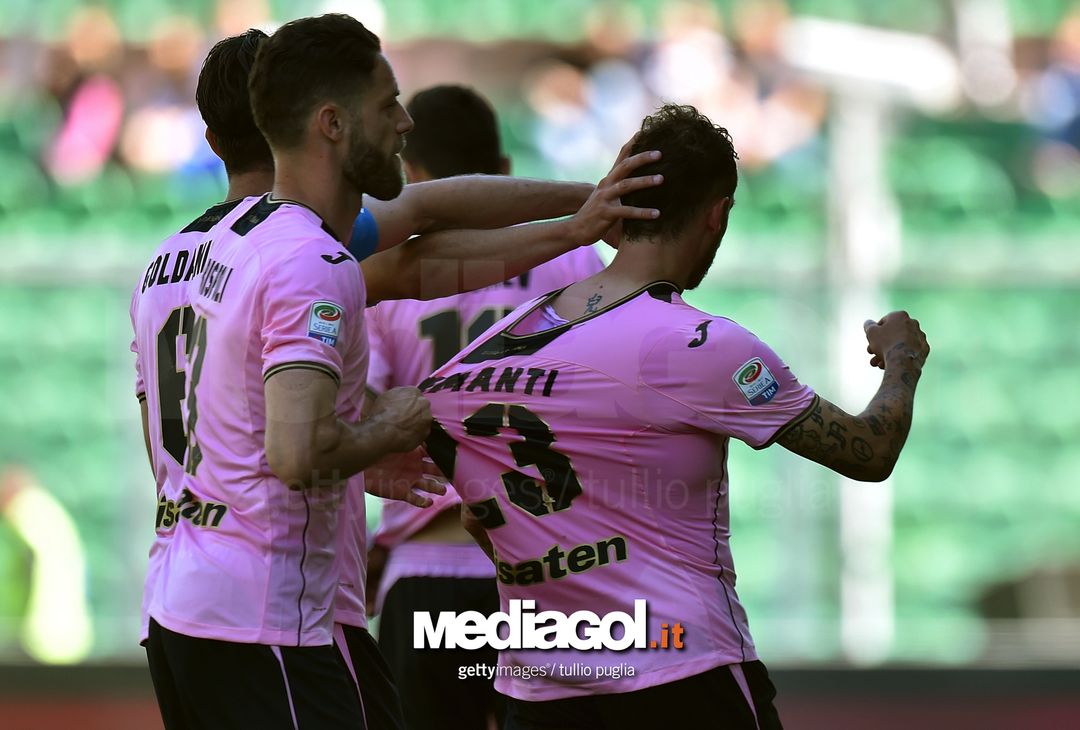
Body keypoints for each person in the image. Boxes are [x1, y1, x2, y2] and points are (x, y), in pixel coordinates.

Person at [134, 16, 662, 730]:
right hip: (274, 609)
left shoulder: (170, 262)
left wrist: (579, 219)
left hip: (180, 601)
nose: (404, 121)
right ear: (317, 118)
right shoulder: (305, 257)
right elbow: (297, 451)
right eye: (386, 105)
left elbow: (421, 247)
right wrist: (388, 424)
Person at [422, 104, 930, 730]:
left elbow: (478, 519)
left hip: (543, 687)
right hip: (682, 676)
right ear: (717, 214)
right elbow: (867, 452)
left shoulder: (478, 358)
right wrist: (902, 362)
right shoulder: (699, 345)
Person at [365, 85, 604, 730]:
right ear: (502, 174)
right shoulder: (575, 257)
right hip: (554, 572)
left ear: (411, 177)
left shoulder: (383, 273)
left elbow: (369, 421)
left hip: (426, 572)